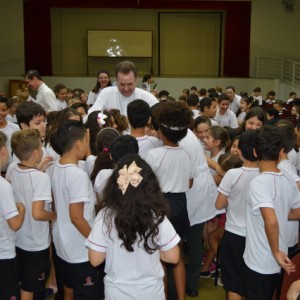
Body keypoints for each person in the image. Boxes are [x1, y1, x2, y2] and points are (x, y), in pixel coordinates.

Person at [86, 154, 180, 300]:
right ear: (150, 187)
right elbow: (173, 257)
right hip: (151, 292)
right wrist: (154, 251)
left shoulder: (105, 216)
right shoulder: (157, 217)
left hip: (116, 292)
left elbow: (95, 259)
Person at [243, 126, 300, 300]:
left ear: (254, 152)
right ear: (281, 151)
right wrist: (279, 213)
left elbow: (271, 222)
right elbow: (297, 213)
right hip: (278, 257)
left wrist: (275, 251)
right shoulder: (288, 178)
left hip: (261, 259)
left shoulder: (259, 183)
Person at [145, 101, 195, 300]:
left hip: (161, 206)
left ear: (162, 132)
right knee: (179, 255)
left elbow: (148, 185)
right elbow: (189, 183)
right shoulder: (187, 153)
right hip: (181, 206)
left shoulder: (154, 154)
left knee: (163, 258)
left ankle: (164, 296)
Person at [47, 120, 100, 299]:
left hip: (62, 242)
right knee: (87, 293)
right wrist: (96, 240)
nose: (87, 145)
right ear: (78, 144)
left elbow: (56, 204)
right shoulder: (77, 175)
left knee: (68, 287)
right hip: (79, 247)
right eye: (86, 141)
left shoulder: (55, 167)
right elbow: (76, 217)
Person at [7, 129, 56, 300]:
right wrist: (54, 215)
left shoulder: (12, 168)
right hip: (36, 244)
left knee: (25, 282)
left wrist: (39, 169)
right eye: (41, 147)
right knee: (30, 286)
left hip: (18, 238)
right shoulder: (41, 179)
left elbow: (24, 187)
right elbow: (38, 213)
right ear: (36, 152)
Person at [215, 131, 259, 300]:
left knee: (233, 281)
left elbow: (219, 204)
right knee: (251, 280)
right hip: (257, 236)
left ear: (239, 152)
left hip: (234, 234)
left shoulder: (233, 174)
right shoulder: (265, 175)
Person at [0, 131, 25, 300]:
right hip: (4, 253)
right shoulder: (2, 186)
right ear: (3, 151)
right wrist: (21, 209)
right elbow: (14, 224)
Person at [88, 61, 158, 116]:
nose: (126, 89)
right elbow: (91, 116)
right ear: (116, 80)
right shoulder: (106, 93)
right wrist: (103, 121)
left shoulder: (146, 97)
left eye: (130, 84)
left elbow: (161, 116)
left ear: (136, 80)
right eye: (122, 84)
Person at [93, 134, 139, 205]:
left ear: (110, 156)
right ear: (137, 154)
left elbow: (99, 202)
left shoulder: (102, 174)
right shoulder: (143, 176)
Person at [0, 96, 19, 166]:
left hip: (10, 168)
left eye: (3, 110)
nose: (0, 113)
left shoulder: (15, 128)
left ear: (8, 110)